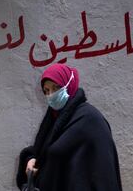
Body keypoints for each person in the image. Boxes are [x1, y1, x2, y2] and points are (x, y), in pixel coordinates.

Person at [16, 63, 123, 191]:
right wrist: (31, 158)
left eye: (56, 88)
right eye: (46, 91)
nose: (51, 95)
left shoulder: (90, 119)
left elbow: (104, 173)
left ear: (69, 85)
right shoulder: (53, 117)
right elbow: (44, 151)